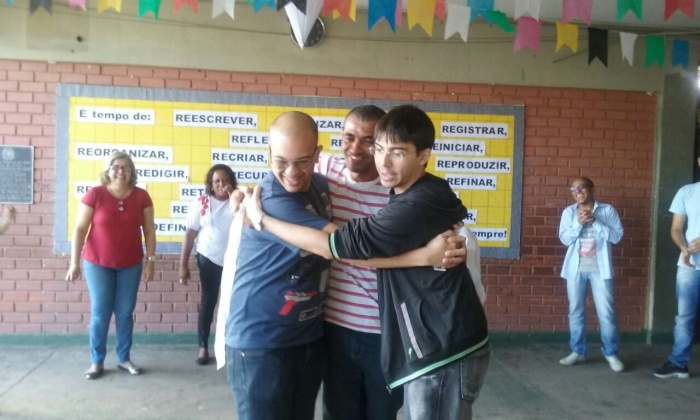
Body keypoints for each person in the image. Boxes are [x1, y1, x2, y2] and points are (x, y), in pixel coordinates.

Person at [241, 104, 490, 420]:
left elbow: (336, 246)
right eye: (349, 137)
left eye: (373, 142)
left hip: (394, 333)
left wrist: (261, 219)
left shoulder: (405, 195)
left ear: (422, 156)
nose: (358, 149)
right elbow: (281, 174)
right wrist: (242, 198)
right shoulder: (325, 173)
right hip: (336, 329)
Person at [65, 151, 156, 380]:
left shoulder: (142, 196)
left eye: (126, 167)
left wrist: (151, 261)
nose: (121, 171)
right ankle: (97, 361)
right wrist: (74, 263)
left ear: (132, 171)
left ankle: (124, 359)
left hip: (131, 264)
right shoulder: (95, 194)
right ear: (108, 170)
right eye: (116, 166)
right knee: (100, 313)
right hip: (98, 263)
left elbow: (149, 230)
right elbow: (79, 229)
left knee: (125, 313)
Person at [558, 177, 625, 372]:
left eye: (582, 187)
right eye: (573, 189)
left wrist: (595, 221)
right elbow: (564, 239)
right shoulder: (569, 213)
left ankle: (611, 353)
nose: (577, 191)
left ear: (592, 189)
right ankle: (578, 351)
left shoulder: (607, 211)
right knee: (575, 311)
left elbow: (617, 237)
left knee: (606, 313)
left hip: (600, 270)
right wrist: (578, 224)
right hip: (575, 269)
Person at [178, 164, 237, 365]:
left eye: (225, 180)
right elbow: (190, 234)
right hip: (208, 259)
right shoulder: (201, 202)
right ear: (211, 184)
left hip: (234, 260)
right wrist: (183, 265)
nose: (221, 184)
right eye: (217, 181)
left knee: (232, 303)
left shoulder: (238, 201)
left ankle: (230, 345)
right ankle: (203, 346)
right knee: (208, 302)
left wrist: (233, 196)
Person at [653, 155, 700, 379]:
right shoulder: (687, 192)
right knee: (684, 317)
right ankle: (678, 363)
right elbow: (676, 229)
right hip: (689, 265)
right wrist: (683, 248)